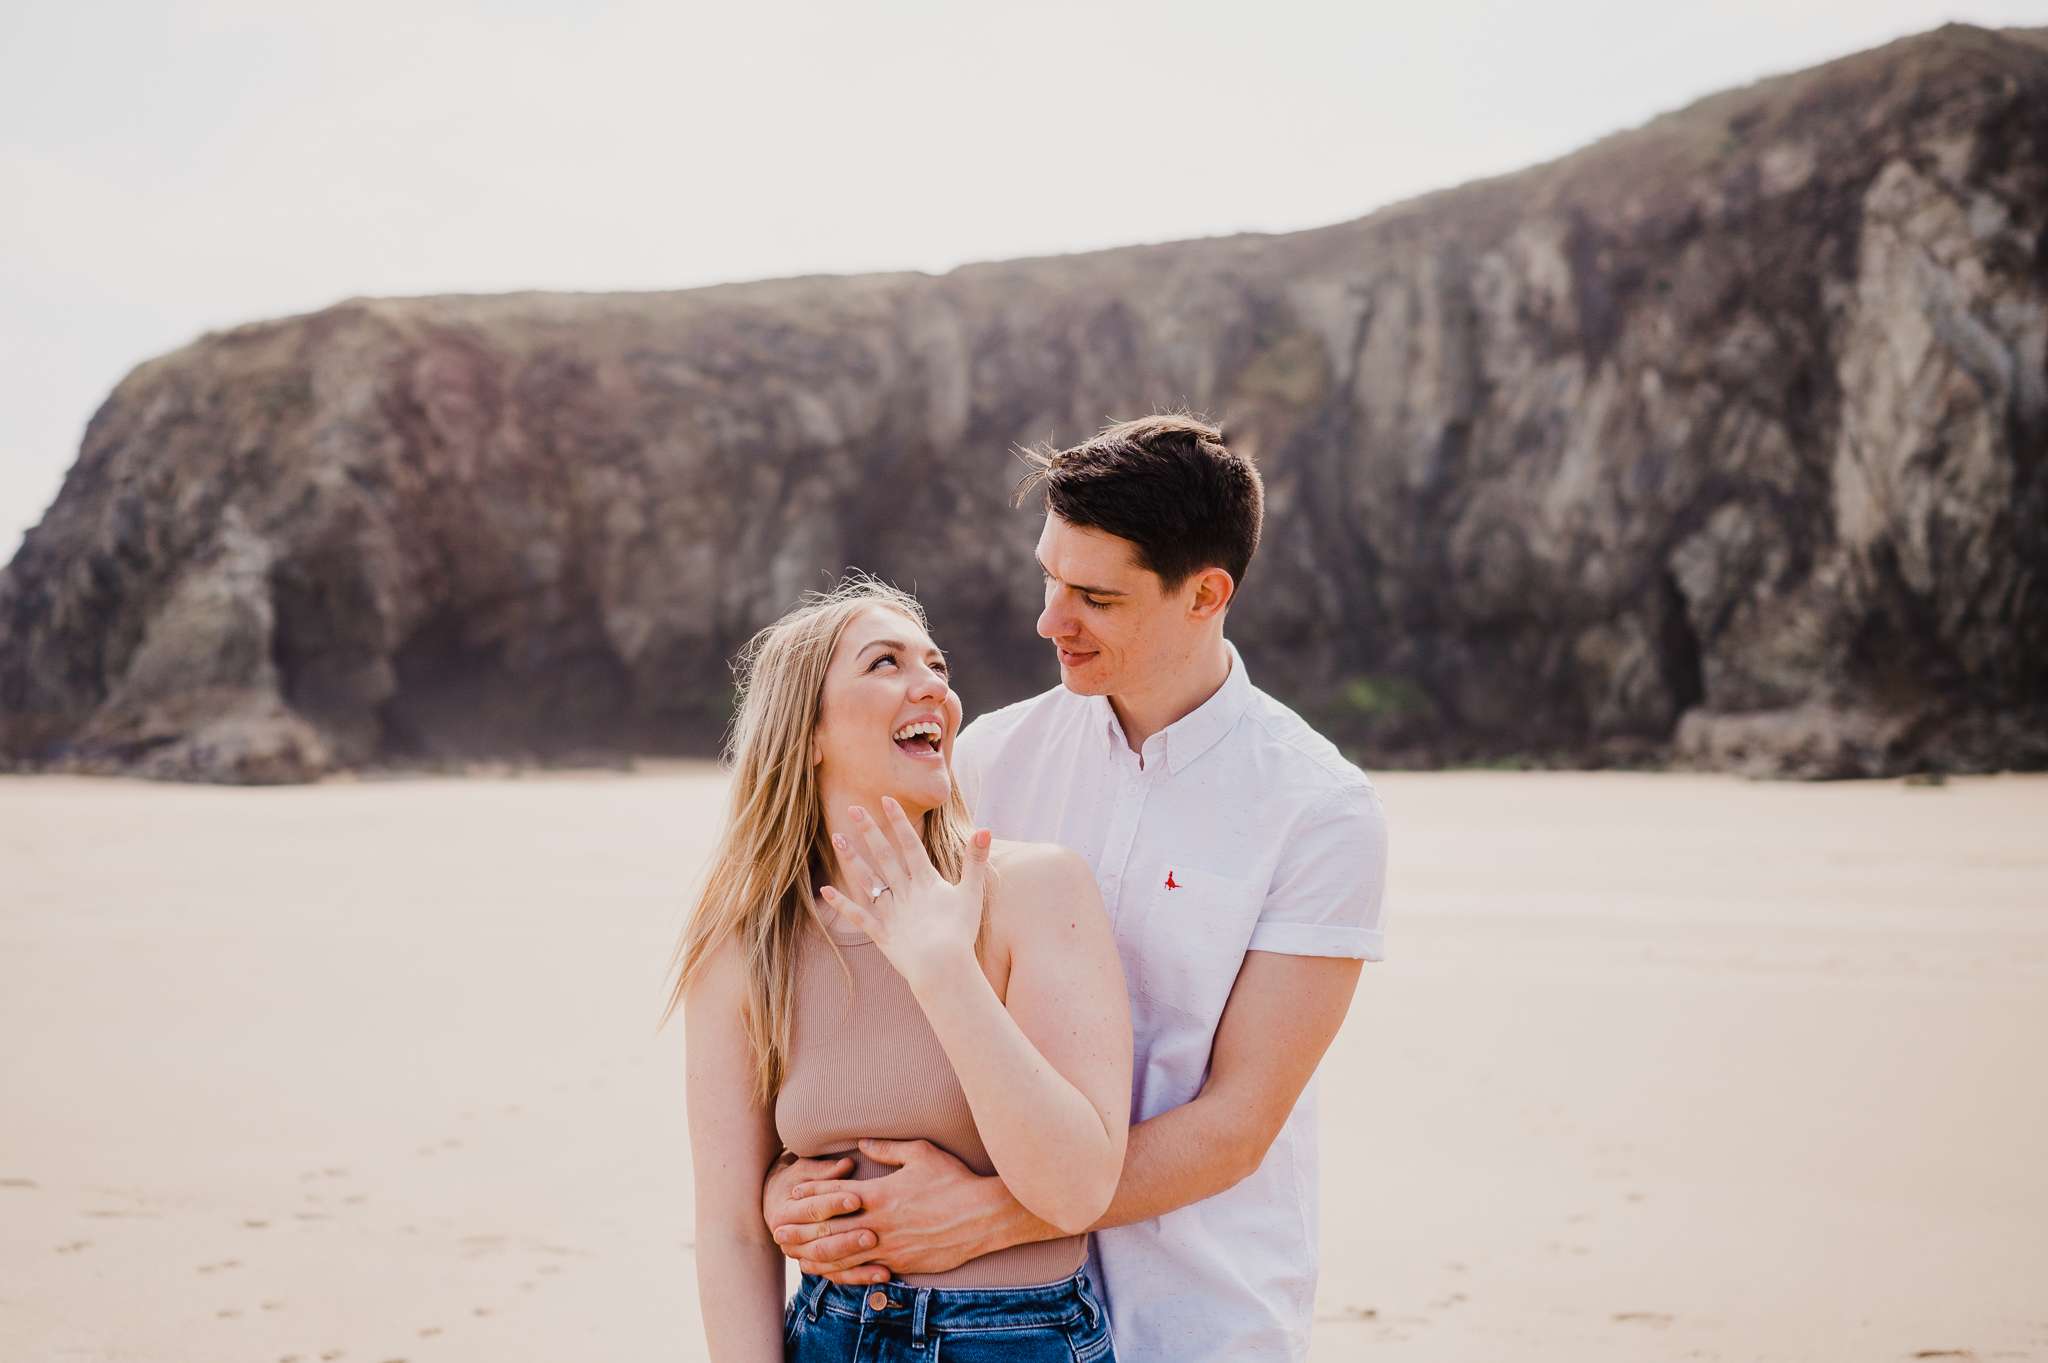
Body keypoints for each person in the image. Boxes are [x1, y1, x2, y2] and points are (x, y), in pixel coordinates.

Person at [763, 416, 1389, 1361]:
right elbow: (888, 1012)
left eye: (1094, 596)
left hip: (1202, 1312)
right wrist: (795, 1185)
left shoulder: (1319, 810)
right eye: (1050, 579)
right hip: (981, 1320)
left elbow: (1238, 1121)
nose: (1050, 620)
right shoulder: (986, 758)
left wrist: (991, 1215)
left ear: (1206, 594)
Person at [669, 578, 1132, 1362]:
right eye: (885, 662)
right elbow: (733, 1231)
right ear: (807, 733)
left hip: (1017, 1338)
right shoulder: (746, 946)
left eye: (937, 665)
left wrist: (943, 968)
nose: (933, 687)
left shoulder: (1035, 889)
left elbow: (1077, 1188)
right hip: (829, 1334)